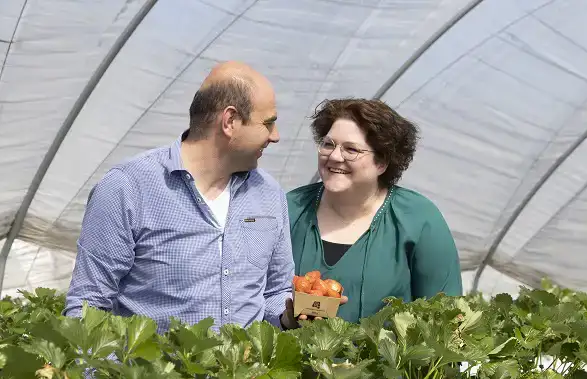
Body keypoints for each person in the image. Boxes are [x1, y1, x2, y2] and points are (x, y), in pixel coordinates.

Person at [64, 61, 300, 333]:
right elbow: (89, 305)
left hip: (245, 376)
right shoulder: (128, 187)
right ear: (230, 121)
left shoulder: (268, 194)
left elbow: (274, 292)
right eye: (268, 123)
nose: (276, 136)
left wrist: (288, 316)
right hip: (154, 375)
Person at [286, 98, 462, 324]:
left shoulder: (419, 220)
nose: (335, 156)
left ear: (382, 162)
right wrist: (285, 319)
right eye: (328, 144)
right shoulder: (290, 208)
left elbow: (447, 316)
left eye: (351, 149)